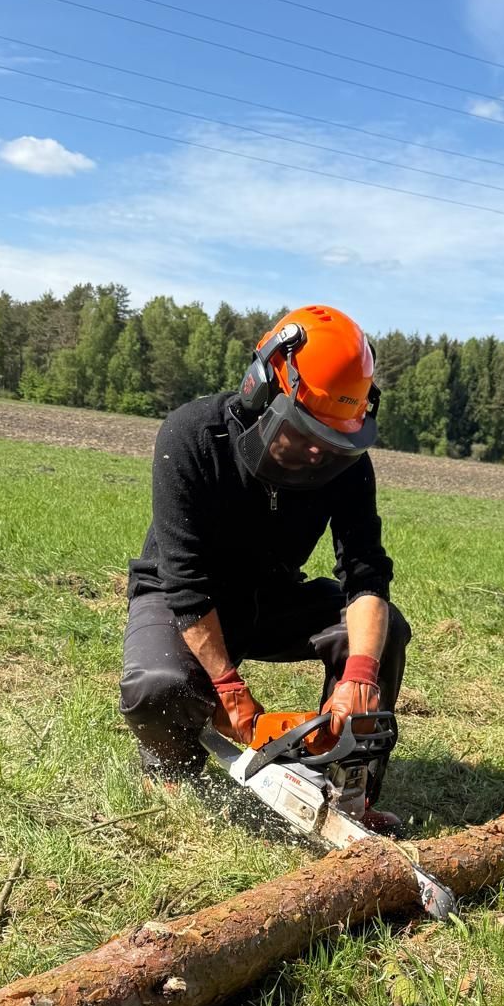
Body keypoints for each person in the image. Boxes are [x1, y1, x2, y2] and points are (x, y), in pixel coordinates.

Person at [120, 303, 409, 831]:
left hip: (271, 597)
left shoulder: (344, 465)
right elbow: (184, 583)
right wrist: (230, 690)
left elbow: (365, 572)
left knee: (379, 636)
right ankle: (172, 762)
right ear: (261, 388)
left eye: (333, 444)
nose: (316, 456)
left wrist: (361, 675)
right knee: (157, 687)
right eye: (303, 436)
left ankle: (348, 790)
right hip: (184, 598)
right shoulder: (191, 437)